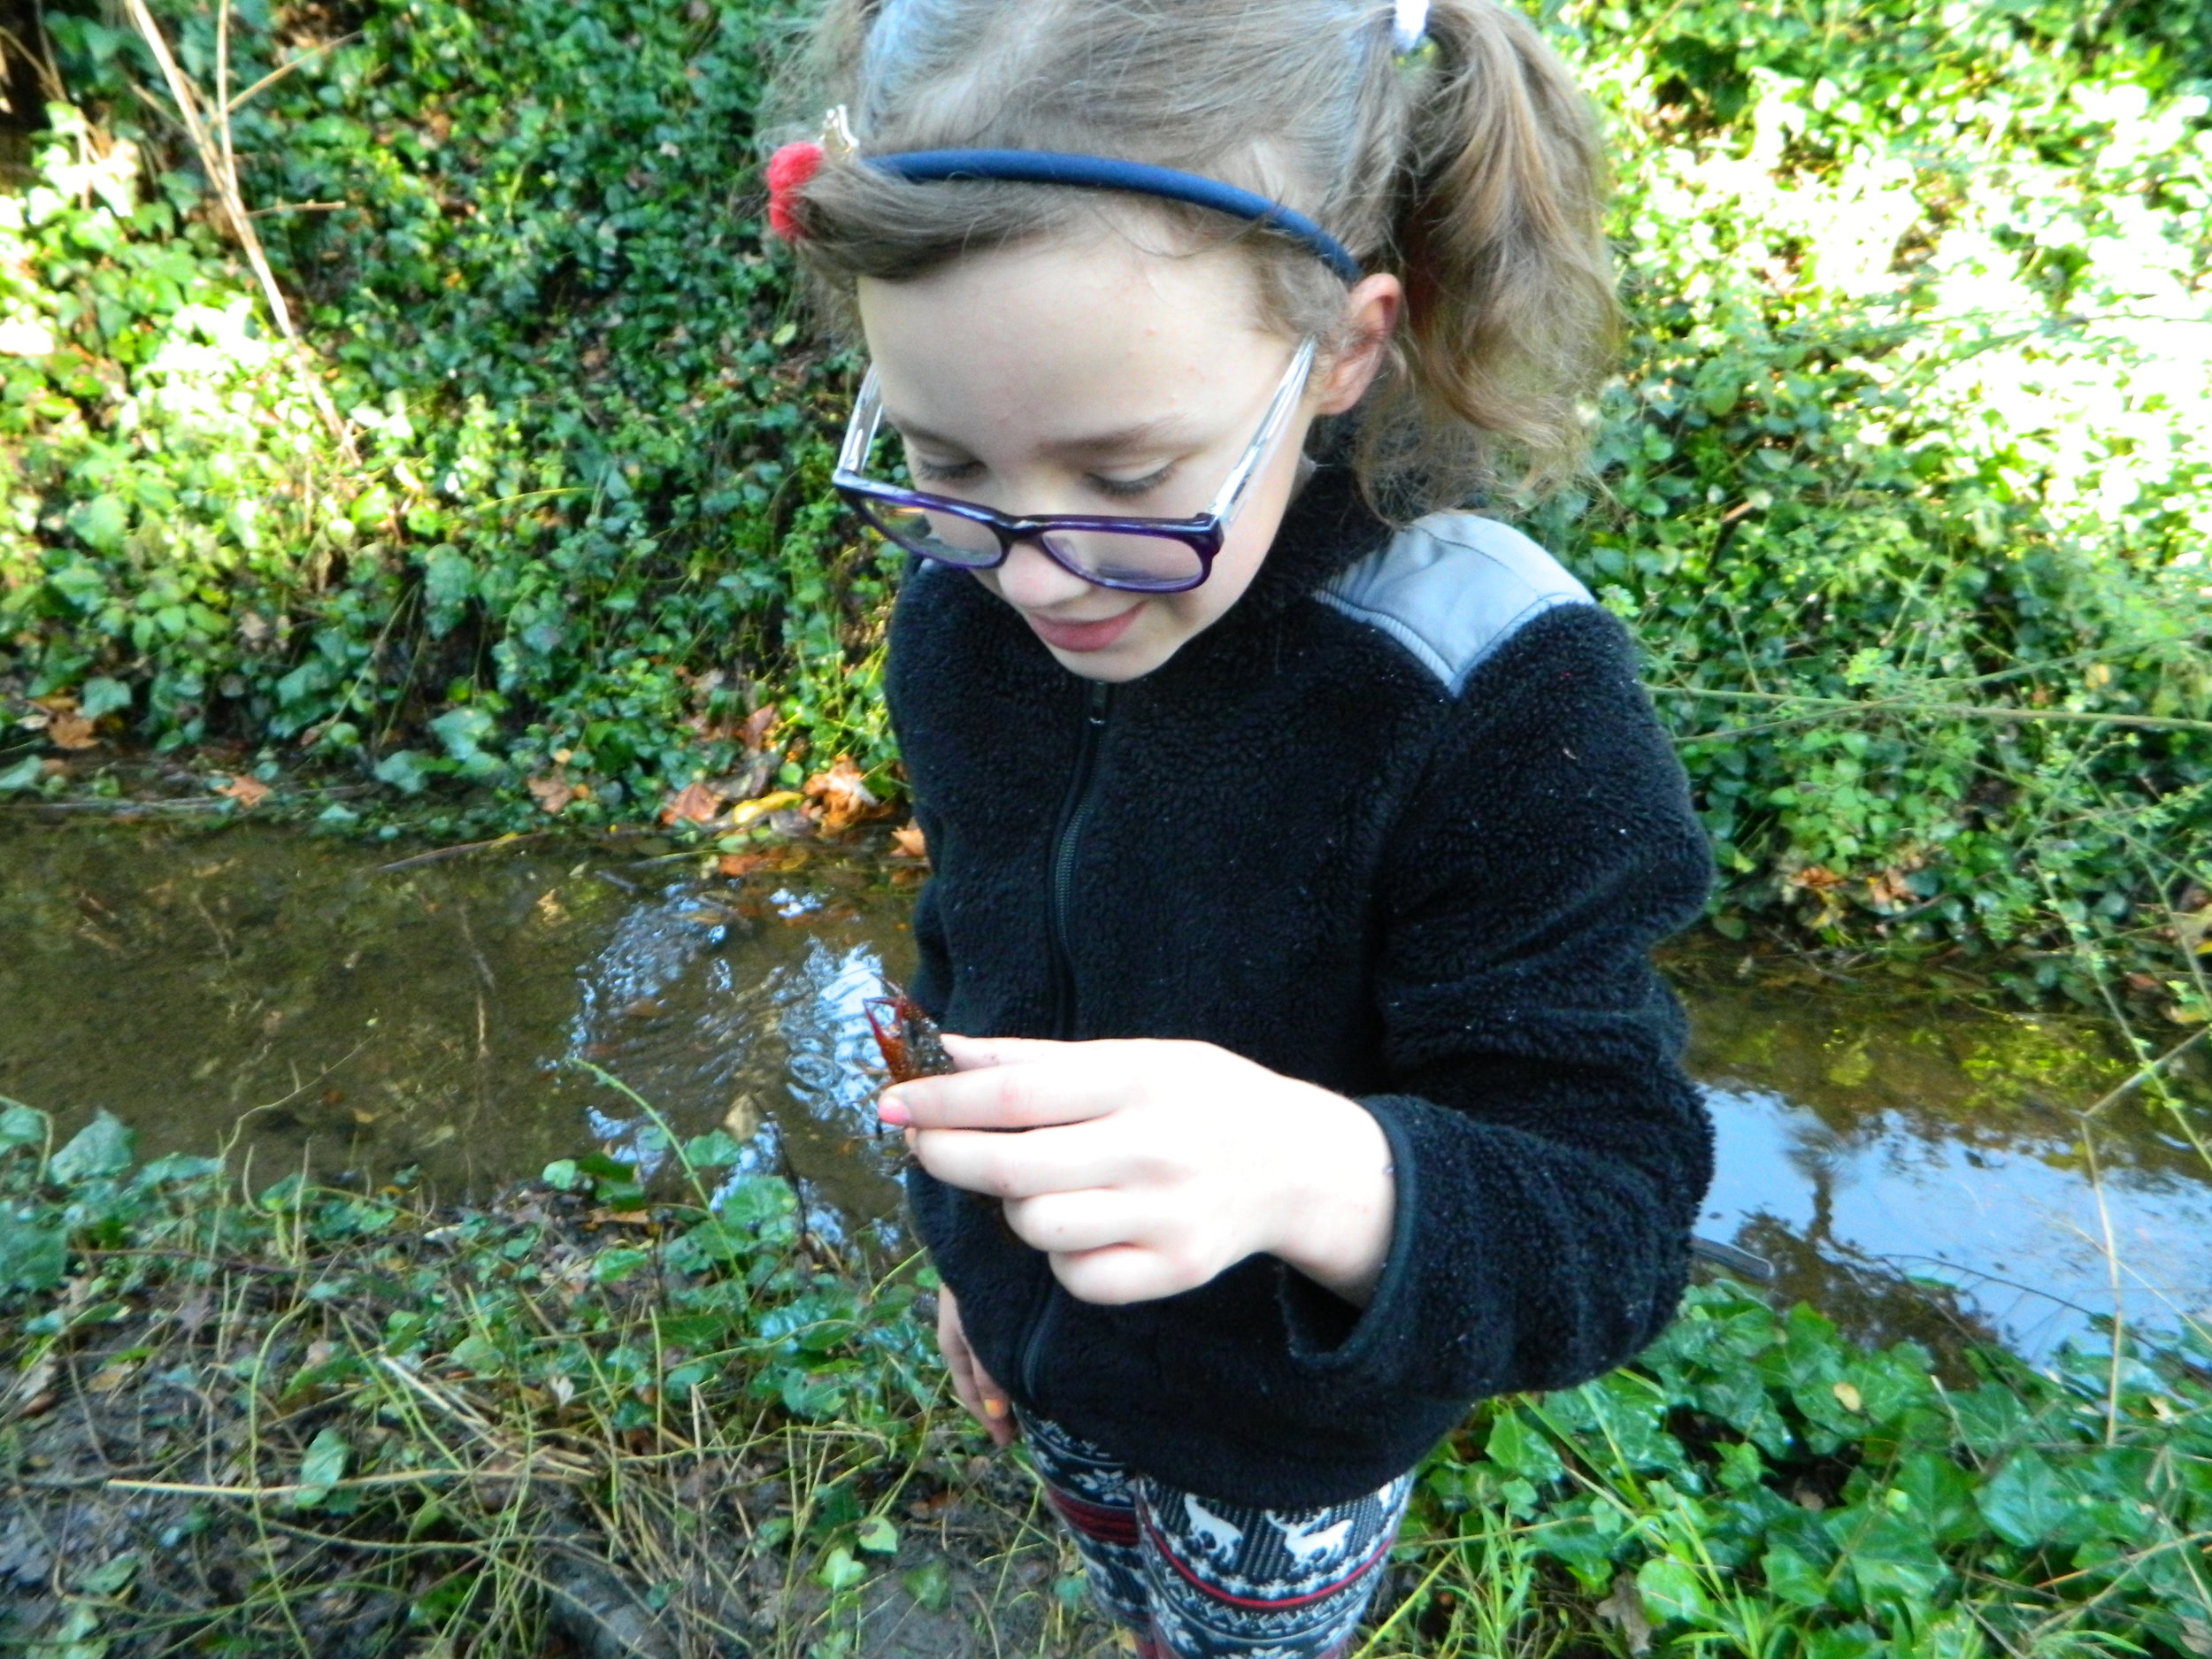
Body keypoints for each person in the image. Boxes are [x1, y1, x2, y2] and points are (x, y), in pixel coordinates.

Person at [766, 2, 1715, 1653]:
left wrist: (1312, 1168)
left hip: (1285, 1447)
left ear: (1343, 346)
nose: (1038, 572)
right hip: (1045, 1359)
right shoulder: (968, 597)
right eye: (942, 460)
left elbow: (1613, 1218)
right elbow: (981, 951)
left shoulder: (1492, 693)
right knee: (1118, 1584)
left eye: (1133, 482)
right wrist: (972, 1264)